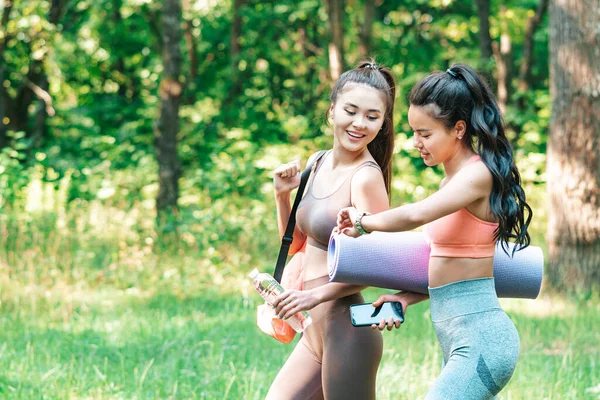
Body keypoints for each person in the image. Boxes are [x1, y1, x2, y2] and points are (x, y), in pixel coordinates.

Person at [336, 63, 532, 399]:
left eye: (425, 134)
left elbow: (417, 213)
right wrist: (405, 298)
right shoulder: (451, 181)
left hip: (482, 338)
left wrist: (362, 221)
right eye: (413, 133)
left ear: (458, 129)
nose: (416, 143)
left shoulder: (477, 175)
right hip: (457, 336)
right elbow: (451, 263)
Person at [266, 61, 396, 400]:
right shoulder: (316, 161)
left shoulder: (366, 177)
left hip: (348, 331)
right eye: (350, 111)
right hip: (315, 329)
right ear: (332, 111)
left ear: (382, 124)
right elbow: (296, 243)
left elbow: (383, 263)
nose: (359, 123)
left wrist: (314, 295)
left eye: (372, 116)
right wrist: (282, 196)